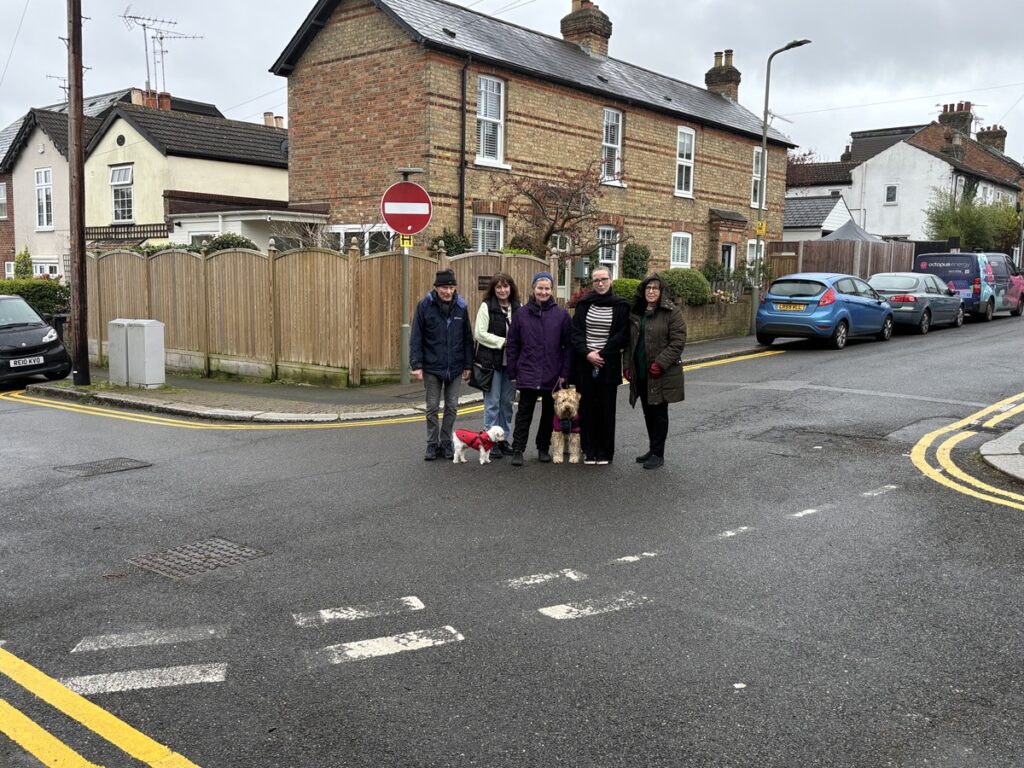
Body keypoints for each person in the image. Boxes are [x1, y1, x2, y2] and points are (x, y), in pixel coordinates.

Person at [506, 271, 572, 467]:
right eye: (540, 288)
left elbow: (568, 346)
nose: (543, 292)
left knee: (548, 415)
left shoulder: (561, 315)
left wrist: (564, 373)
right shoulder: (521, 314)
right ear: (533, 289)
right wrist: (513, 372)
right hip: (527, 371)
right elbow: (512, 345)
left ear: (552, 290)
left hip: (553, 373)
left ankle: (543, 447)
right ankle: (518, 449)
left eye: (547, 288)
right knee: (524, 413)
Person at [410, 269, 474, 461]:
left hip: (454, 367)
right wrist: (416, 364)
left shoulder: (461, 307)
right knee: (431, 407)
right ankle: (431, 444)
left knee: (452, 406)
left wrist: (468, 365)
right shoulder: (424, 306)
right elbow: (416, 337)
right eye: (444, 287)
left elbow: (467, 338)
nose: (448, 291)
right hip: (431, 367)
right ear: (436, 288)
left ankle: (446, 443)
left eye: (451, 287)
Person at [624, 275, 687, 469]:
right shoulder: (637, 312)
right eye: (648, 288)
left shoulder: (671, 312)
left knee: (659, 413)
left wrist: (660, 363)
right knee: (647, 412)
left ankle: (658, 454)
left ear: (661, 292)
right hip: (641, 372)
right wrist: (627, 365)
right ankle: (652, 449)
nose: (651, 291)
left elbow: (678, 341)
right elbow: (629, 343)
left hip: (661, 373)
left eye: (655, 288)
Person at [570, 265, 630, 464]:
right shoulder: (584, 304)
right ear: (592, 283)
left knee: (606, 409)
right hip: (585, 364)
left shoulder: (621, 305)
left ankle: (605, 452)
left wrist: (601, 354)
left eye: (604, 279)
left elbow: (622, 334)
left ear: (611, 280)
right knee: (586, 408)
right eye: (596, 280)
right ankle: (589, 450)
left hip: (608, 364)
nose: (600, 283)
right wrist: (588, 353)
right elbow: (576, 332)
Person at [474, 273, 521, 458]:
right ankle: (488, 440)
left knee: (507, 404)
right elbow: (480, 333)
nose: (502, 290)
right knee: (492, 403)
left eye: (506, 286)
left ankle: (502, 439)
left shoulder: (518, 307)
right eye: (499, 287)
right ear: (493, 289)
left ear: (511, 288)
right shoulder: (486, 307)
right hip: (491, 363)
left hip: (511, 364)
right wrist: (503, 341)